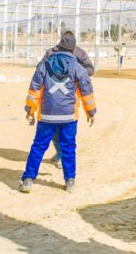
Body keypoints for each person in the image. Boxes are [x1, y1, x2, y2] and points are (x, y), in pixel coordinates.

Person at [21, 47, 97, 193]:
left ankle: (28, 180)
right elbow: (86, 91)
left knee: (38, 147)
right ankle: (70, 181)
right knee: (68, 148)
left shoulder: (44, 64)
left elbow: (34, 89)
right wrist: (91, 112)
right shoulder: (78, 67)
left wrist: (30, 110)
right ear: (72, 50)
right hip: (69, 117)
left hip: (46, 116)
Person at [43, 31, 95, 165]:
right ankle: (60, 151)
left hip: (70, 95)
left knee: (67, 128)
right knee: (54, 129)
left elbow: (90, 69)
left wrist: (75, 72)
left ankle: (63, 155)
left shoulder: (80, 53)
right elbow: (41, 70)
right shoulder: (51, 52)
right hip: (53, 96)